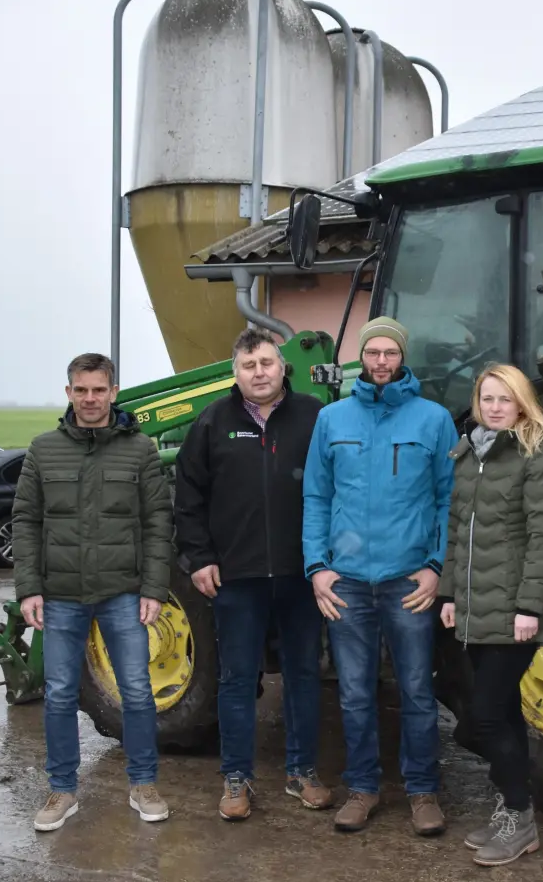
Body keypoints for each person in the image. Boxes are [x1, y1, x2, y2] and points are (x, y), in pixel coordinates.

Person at [301, 316, 459, 837]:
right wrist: (317, 568)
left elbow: (446, 501)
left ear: (402, 357)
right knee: (353, 693)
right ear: (362, 358)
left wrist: (435, 568)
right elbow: (317, 497)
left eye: (391, 352)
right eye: (373, 353)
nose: (382, 362)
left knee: (416, 690)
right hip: (345, 582)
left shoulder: (433, 420)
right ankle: (363, 788)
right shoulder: (333, 419)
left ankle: (422, 792)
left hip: (408, 582)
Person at [173, 327, 333, 821]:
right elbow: (188, 496)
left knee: (305, 675)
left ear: (282, 366)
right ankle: (237, 778)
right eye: (248, 366)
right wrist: (199, 558)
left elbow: (338, 486)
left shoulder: (314, 416)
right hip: (235, 578)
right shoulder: (212, 422)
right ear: (235, 373)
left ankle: (302, 771)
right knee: (237, 678)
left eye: (266, 363)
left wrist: (327, 560)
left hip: (302, 574)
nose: (258, 373)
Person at [13, 352, 174, 832]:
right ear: (68, 394)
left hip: (123, 592)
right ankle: (62, 791)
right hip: (60, 595)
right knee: (60, 694)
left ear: (113, 392)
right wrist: (28, 588)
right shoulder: (43, 450)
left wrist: (154, 586)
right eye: (80, 390)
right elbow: (26, 522)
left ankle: (143, 784)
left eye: (98, 390)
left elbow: (157, 521)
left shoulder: (139, 450)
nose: (90, 399)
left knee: (138, 693)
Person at [437, 364, 543, 867]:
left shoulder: (537, 454)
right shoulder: (470, 454)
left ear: (521, 403)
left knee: (484, 717)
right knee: (502, 711)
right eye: (485, 398)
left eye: (503, 398)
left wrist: (529, 606)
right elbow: (455, 532)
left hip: (513, 610)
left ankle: (519, 812)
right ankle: (512, 806)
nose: (493, 407)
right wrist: (449, 595)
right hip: (472, 606)